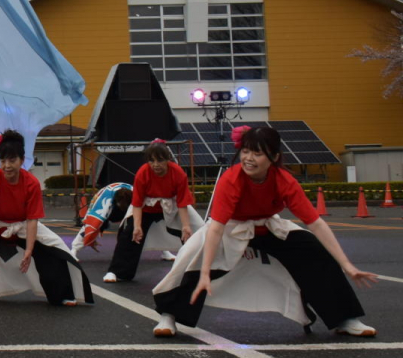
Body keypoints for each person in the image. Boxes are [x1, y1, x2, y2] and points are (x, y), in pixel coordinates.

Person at [152, 125, 378, 337]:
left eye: (258, 154)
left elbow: (315, 223)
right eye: (246, 151)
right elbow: (216, 229)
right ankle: (168, 316)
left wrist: (347, 265)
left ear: (274, 157)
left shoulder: (284, 180)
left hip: (268, 226)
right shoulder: (231, 179)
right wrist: (204, 274)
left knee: (314, 251)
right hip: (231, 228)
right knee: (190, 257)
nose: (249, 158)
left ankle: (345, 319)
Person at [0, 130, 92, 308]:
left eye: (12, 160)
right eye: (2, 161)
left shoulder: (31, 183)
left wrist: (29, 250)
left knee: (54, 250)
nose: (7, 166)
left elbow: (32, 220)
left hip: (23, 225)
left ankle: (63, 295)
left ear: (22, 160)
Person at [103, 140, 200, 282]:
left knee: (197, 231)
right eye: (151, 160)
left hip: (171, 206)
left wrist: (186, 226)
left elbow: (182, 202)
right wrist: (137, 226)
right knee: (129, 234)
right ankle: (117, 272)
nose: (155, 165)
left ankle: (199, 270)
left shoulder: (178, 173)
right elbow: (136, 203)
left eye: (160, 160)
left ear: (167, 159)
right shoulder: (143, 173)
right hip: (146, 208)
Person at [69, 182, 132, 257]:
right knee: (93, 223)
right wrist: (91, 236)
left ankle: (126, 250)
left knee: (131, 225)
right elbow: (93, 222)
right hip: (106, 196)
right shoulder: (105, 200)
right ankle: (74, 250)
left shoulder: (135, 194)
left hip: (127, 201)